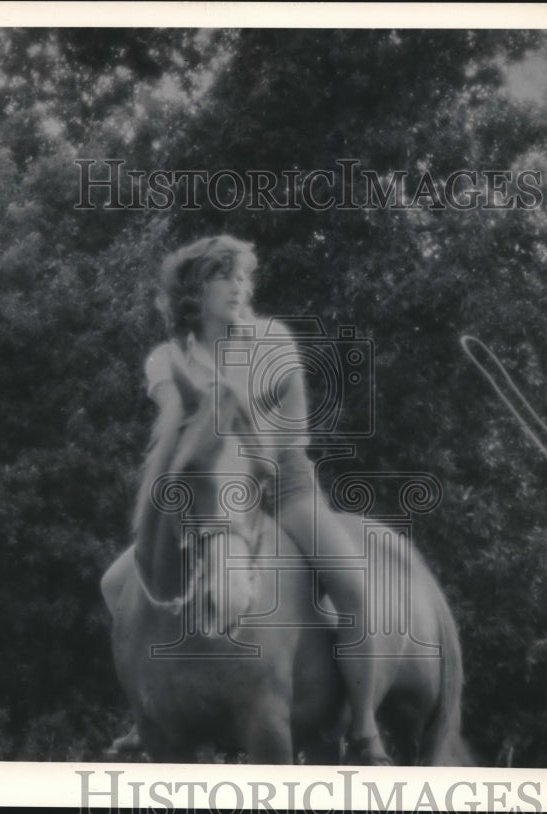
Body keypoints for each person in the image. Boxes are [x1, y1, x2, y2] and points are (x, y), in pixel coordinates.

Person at [133, 234, 391, 766]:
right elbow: (172, 428)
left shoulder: (273, 341)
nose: (239, 288)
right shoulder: (166, 358)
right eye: (224, 276)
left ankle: (364, 729)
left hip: (282, 484)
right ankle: (147, 709)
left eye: (244, 278)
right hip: (203, 492)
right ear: (193, 289)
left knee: (352, 587)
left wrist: (241, 447)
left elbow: (291, 429)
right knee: (119, 586)